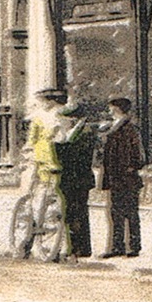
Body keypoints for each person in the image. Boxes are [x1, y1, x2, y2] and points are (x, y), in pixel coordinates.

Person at [99, 97, 144, 258]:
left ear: (118, 109)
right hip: (116, 178)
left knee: (130, 213)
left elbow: (139, 157)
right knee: (116, 214)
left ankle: (133, 246)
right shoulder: (114, 127)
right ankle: (118, 246)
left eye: (112, 108)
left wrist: (129, 169)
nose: (109, 111)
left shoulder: (130, 129)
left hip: (126, 178)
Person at [55, 101, 97, 260]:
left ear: (73, 118)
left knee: (77, 213)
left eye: (64, 118)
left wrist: (59, 144)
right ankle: (76, 247)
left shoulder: (84, 131)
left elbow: (75, 154)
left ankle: (79, 248)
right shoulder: (74, 131)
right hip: (72, 177)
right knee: (73, 213)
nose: (62, 122)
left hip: (78, 178)